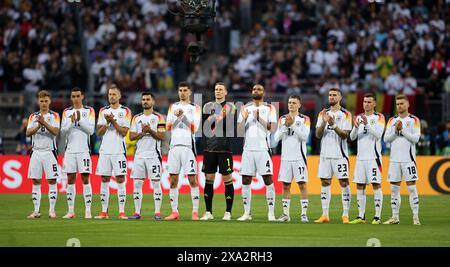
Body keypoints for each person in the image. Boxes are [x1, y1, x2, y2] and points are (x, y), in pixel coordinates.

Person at [237, 84, 277, 221]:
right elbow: (239, 130)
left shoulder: (270, 108)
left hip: (263, 149)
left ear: (263, 92)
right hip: (248, 149)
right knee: (246, 180)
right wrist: (243, 118)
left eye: (259, 89)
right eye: (254, 89)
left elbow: (272, 129)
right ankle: (246, 213)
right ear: (251, 92)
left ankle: (271, 213)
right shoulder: (245, 108)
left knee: (268, 179)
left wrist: (259, 117)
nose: (256, 91)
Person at [164, 82, 202, 220]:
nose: (182, 92)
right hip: (174, 147)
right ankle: (175, 212)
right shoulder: (172, 107)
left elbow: (195, 128)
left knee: (192, 179)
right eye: (180, 90)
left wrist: (182, 117)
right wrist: (178, 118)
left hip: (188, 147)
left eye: (185, 90)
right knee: (173, 180)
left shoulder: (195, 108)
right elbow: (168, 126)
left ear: (190, 92)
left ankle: (195, 212)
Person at [315, 88, 352, 224]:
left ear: (340, 97)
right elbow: (318, 135)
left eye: (334, 95)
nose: (331, 97)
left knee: (343, 182)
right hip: (325, 155)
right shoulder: (322, 113)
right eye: (330, 95)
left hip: (340, 155)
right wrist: (324, 121)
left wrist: (333, 124)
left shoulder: (346, 114)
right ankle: (325, 215)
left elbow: (345, 135)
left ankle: (345, 214)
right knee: (325, 182)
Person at [200, 82, 237, 221]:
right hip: (209, 147)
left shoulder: (231, 107)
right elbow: (204, 126)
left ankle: (228, 212)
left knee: (227, 178)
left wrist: (219, 119)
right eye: (216, 89)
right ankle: (208, 212)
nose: (218, 91)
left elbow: (231, 126)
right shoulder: (207, 106)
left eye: (221, 89)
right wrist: (213, 117)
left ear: (226, 92)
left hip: (224, 148)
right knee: (209, 178)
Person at [94, 84, 131, 219]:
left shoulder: (126, 111)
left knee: (121, 179)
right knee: (104, 179)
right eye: (110, 94)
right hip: (105, 151)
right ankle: (104, 212)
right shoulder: (103, 111)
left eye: (114, 94)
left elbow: (124, 132)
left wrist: (113, 122)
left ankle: (122, 212)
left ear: (119, 96)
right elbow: (98, 132)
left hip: (119, 151)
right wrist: (107, 123)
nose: (111, 96)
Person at [383, 94, 421, 225]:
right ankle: (395, 217)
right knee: (394, 189)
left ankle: (415, 217)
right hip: (394, 160)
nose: (399, 106)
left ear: (408, 104)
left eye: (402, 104)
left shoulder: (414, 120)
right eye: (397, 104)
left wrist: (402, 130)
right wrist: (395, 130)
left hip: (408, 160)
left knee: (411, 188)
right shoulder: (391, 120)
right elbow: (386, 139)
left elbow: (416, 139)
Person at [128, 92, 166, 220]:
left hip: (153, 155)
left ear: (153, 102)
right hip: (139, 156)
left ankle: (157, 213)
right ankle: (137, 212)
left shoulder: (159, 118)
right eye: (143, 99)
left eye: (148, 99)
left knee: (156, 183)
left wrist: (150, 130)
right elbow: (131, 136)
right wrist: (143, 133)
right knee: (137, 183)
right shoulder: (136, 118)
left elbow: (162, 136)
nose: (145, 101)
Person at [348, 93, 385, 224]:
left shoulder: (379, 117)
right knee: (360, 185)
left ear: (374, 104)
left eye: (369, 102)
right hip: (360, 158)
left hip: (373, 158)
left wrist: (367, 124)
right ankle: (361, 216)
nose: (366, 104)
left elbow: (378, 135)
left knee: (376, 185)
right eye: (365, 101)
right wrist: (355, 127)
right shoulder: (358, 118)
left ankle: (377, 217)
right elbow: (352, 138)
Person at [273, 95, 310, 223]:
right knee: (286, 186)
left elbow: (305, 137)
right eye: (289, 102)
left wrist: (293, 125)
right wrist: (285, 127)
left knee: (302, 185)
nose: (291, 105)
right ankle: (286, 215)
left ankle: (304, 214)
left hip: (299, 158)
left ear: (299, 105)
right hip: (286, 158)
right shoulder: (282, 119)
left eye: (294, 103)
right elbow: (276, 138)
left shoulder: (305, 119)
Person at [60, 87, 95, 219]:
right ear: (71, 98)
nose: (75, 98)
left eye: (77, 96)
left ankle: (88, 211)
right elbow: (63, 131)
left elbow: (91, 131)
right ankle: (70, 211)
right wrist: (71, 121)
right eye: (73, 96)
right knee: (70, 179)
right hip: (70, 151)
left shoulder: (89, 110)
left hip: (84, 150)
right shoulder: (66, 112)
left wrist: (79, 120)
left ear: (82, 97)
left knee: (85, 179)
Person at [26, 90, 61, 219]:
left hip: (49, 152)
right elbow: (28, 133)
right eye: (41, 101)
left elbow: (55, 132)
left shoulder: (55, 115)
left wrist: (44, 123)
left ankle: (51, 211)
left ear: (50, 101)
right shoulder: (32, 116)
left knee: (52, 180)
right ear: (38, 102)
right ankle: (36, 211)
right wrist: (38, 125)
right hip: (36, 152)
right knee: (36, 181)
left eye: (46, 101)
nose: (44, 103)